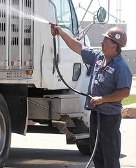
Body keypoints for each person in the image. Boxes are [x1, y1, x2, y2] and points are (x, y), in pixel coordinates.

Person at [51, 25, 132, 168]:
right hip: (96, 114)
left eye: (105, 39)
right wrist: (61, 33)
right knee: (97, 153)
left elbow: (124, 92)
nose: (101, 42)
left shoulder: (121, 67)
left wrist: (102, 99)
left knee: (110, 156)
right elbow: (78, 47)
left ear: (114, 45)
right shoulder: (98, 57)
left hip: (109, 118)